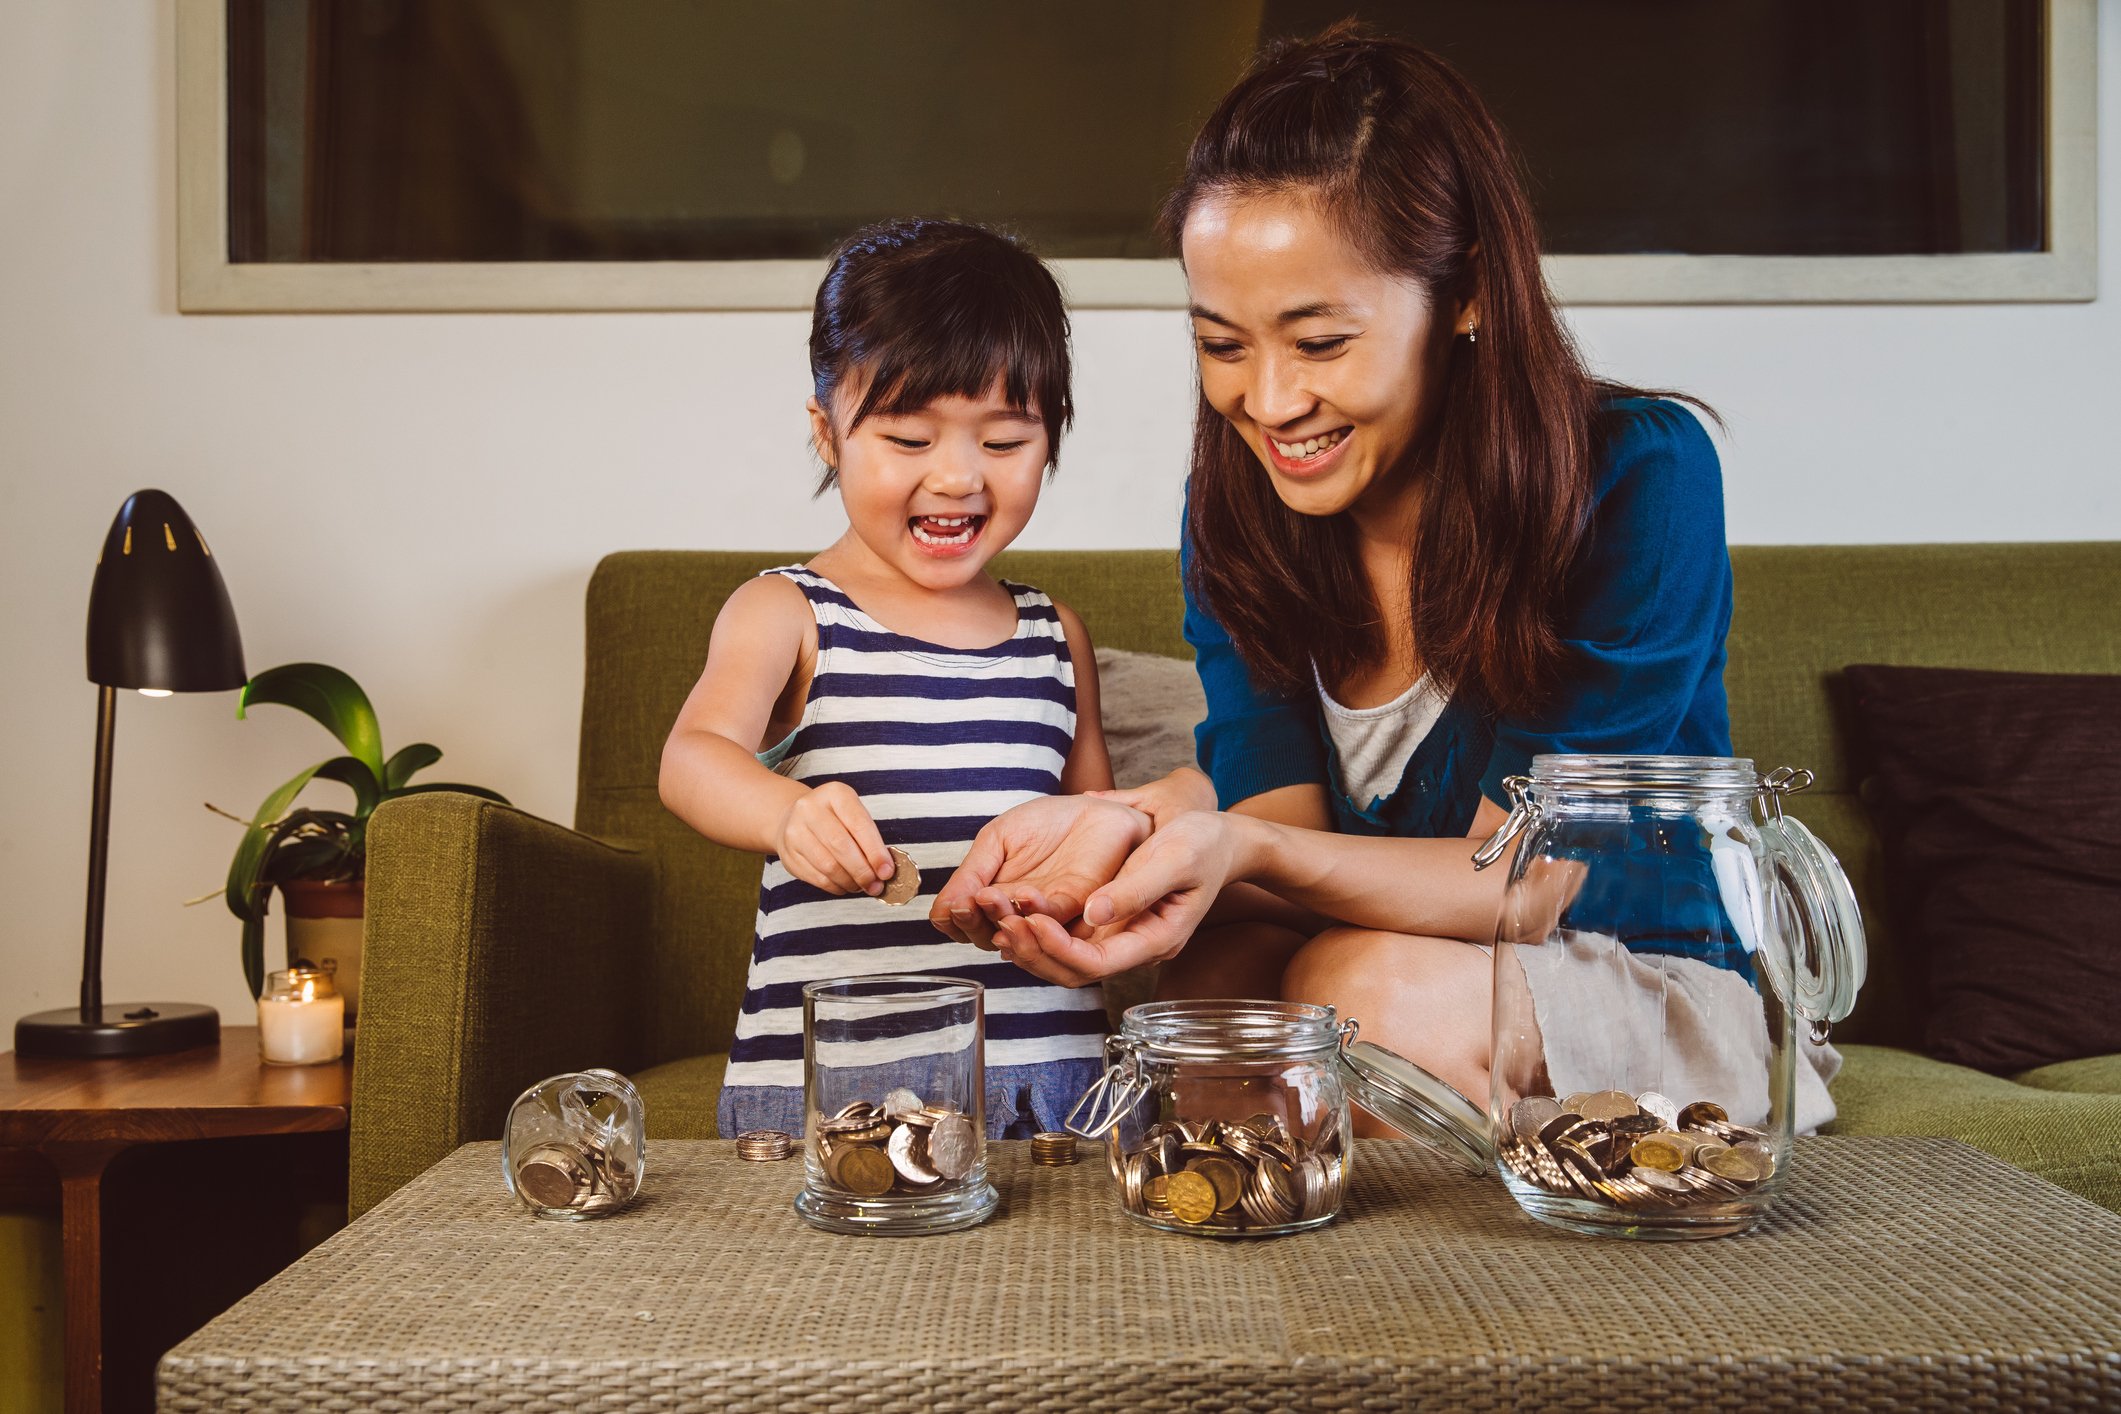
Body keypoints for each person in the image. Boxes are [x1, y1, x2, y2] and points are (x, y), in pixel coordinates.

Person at [930, 25, 1837, 1130]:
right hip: (1384, 958)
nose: (1267, 403)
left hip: (1637, 974)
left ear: (1465, 296)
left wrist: (1241, 846)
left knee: (1355, 991)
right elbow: (1280, 824)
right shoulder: (1236, 511)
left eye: (1318, 343)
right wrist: (1115, 848)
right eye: (1224, 345)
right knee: (1218, 989)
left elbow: (1533, 881)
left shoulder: (1637, 477)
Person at [660, 218, 1117, 1140]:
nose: (955, 478)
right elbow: (692, 758)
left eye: (1003, 442)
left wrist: (1071, 896)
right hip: (835, 1088)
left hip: (1050, 1078)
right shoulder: (787, 611)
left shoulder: (1052, 633)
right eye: (908, 439)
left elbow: (1092, 831)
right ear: (828, 435)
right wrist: (785, 815)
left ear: (1052, 437)